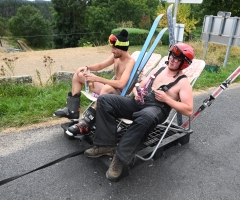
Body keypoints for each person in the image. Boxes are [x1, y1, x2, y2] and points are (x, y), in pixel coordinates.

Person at [83, 43, 195, 181]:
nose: (172, 60)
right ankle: (105, 144)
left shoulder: (183, 83)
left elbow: (188, 110)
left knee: (146, 117)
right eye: (172, 56)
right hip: (139, 102)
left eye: (177, 59)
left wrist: (167, 99)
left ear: (183, 64)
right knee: (105, 99)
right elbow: (139, 87)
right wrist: (136, 92)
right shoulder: (159, 70)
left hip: (156, 109)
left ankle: (120, 157)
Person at [53, 29, 135, 135]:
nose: (112, 51)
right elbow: (101, 65)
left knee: (106, 88)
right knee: (78, 75)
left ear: (122, 48)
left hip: (120, 96)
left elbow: (121, 84)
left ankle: (87, 123)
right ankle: (72, 111)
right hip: (109, 89)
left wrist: (97, 79)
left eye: (114, 48)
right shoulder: (116, 57)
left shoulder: (130, 62)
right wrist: (86, 67)